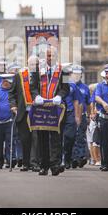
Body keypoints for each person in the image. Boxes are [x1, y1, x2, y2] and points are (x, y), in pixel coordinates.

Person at [30, 46, 69, 176]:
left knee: (56, 137)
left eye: (52, 55)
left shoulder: (64, 70)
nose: (50, 58)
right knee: (43, 138)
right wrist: (36, 96)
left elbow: (66, 88)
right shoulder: (37, 69)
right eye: (48, 55)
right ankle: (44, 165)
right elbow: (33, 86)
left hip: (57, 108)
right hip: (42, 108)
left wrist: (60, 96)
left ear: (56, 56)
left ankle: (55, 165)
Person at [9, 56, 39, 172]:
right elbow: (11, 94)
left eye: (35, 65)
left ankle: (34, 163)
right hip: (23, 112)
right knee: (25, 138)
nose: (33, 67)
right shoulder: (19, 76)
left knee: (36, 138)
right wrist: (13, 106)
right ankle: (26, 163)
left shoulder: (41, 78)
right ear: (27, 64)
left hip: (36, 112)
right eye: (31, 64)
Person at [0, 74, 15, 169]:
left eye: (8, 82)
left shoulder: (13, 93)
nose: (6, 83)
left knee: (10, 142)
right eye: (5, 81)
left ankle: (10, 161)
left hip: (9, 121)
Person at [62, 65, 82, 169]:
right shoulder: (57, 84)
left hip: (69, 112)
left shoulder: (73, 85)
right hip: (58, 113)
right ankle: (59, 160)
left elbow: (76, 101)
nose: (68, 75)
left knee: (70, 137)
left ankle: (67, 158)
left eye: (69, 73)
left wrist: (77, 116)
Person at [71, 65, 92, 168]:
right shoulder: (68, 86)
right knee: (71, 136)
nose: (76, 76)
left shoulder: (85, 88)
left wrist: (89, 115)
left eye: (78, 74)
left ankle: (80, 157)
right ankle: (73, 158)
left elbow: (88, 103)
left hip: (82, 115)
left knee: (81, 136)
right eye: (75, 74)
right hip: (71, 115)